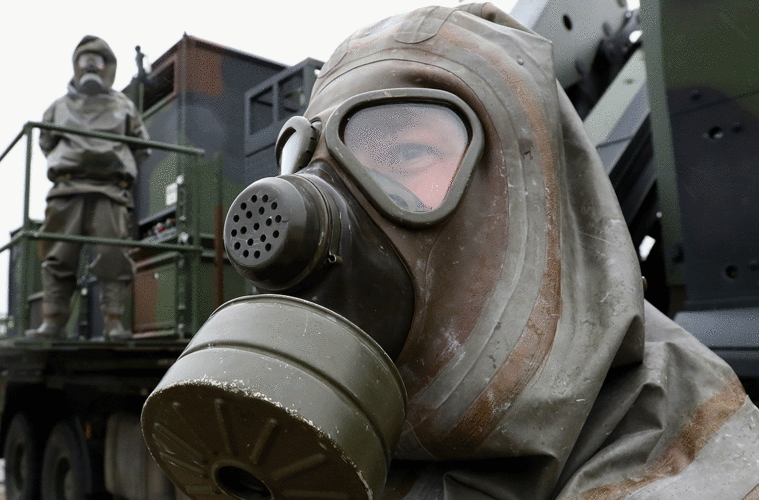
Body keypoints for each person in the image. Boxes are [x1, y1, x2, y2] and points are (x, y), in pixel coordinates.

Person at [242, 4, 759, 497]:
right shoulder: (339, 422)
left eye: (405, 152)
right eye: (305, 159)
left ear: (522, 189)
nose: (316, 205)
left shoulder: (674, 445)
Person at [29, 35, 150, 340]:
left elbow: (141, 145)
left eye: (97, 61)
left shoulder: (124, 106)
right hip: (67, 189)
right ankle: (53, 322)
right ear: (76, 66)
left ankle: (113, 323)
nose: (91, 67)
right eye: (85, 61)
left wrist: (113, 168)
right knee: (59, 254)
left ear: (107, 67)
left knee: (113, 256)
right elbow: (45, 141)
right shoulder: (59, 106)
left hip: (110, 191)